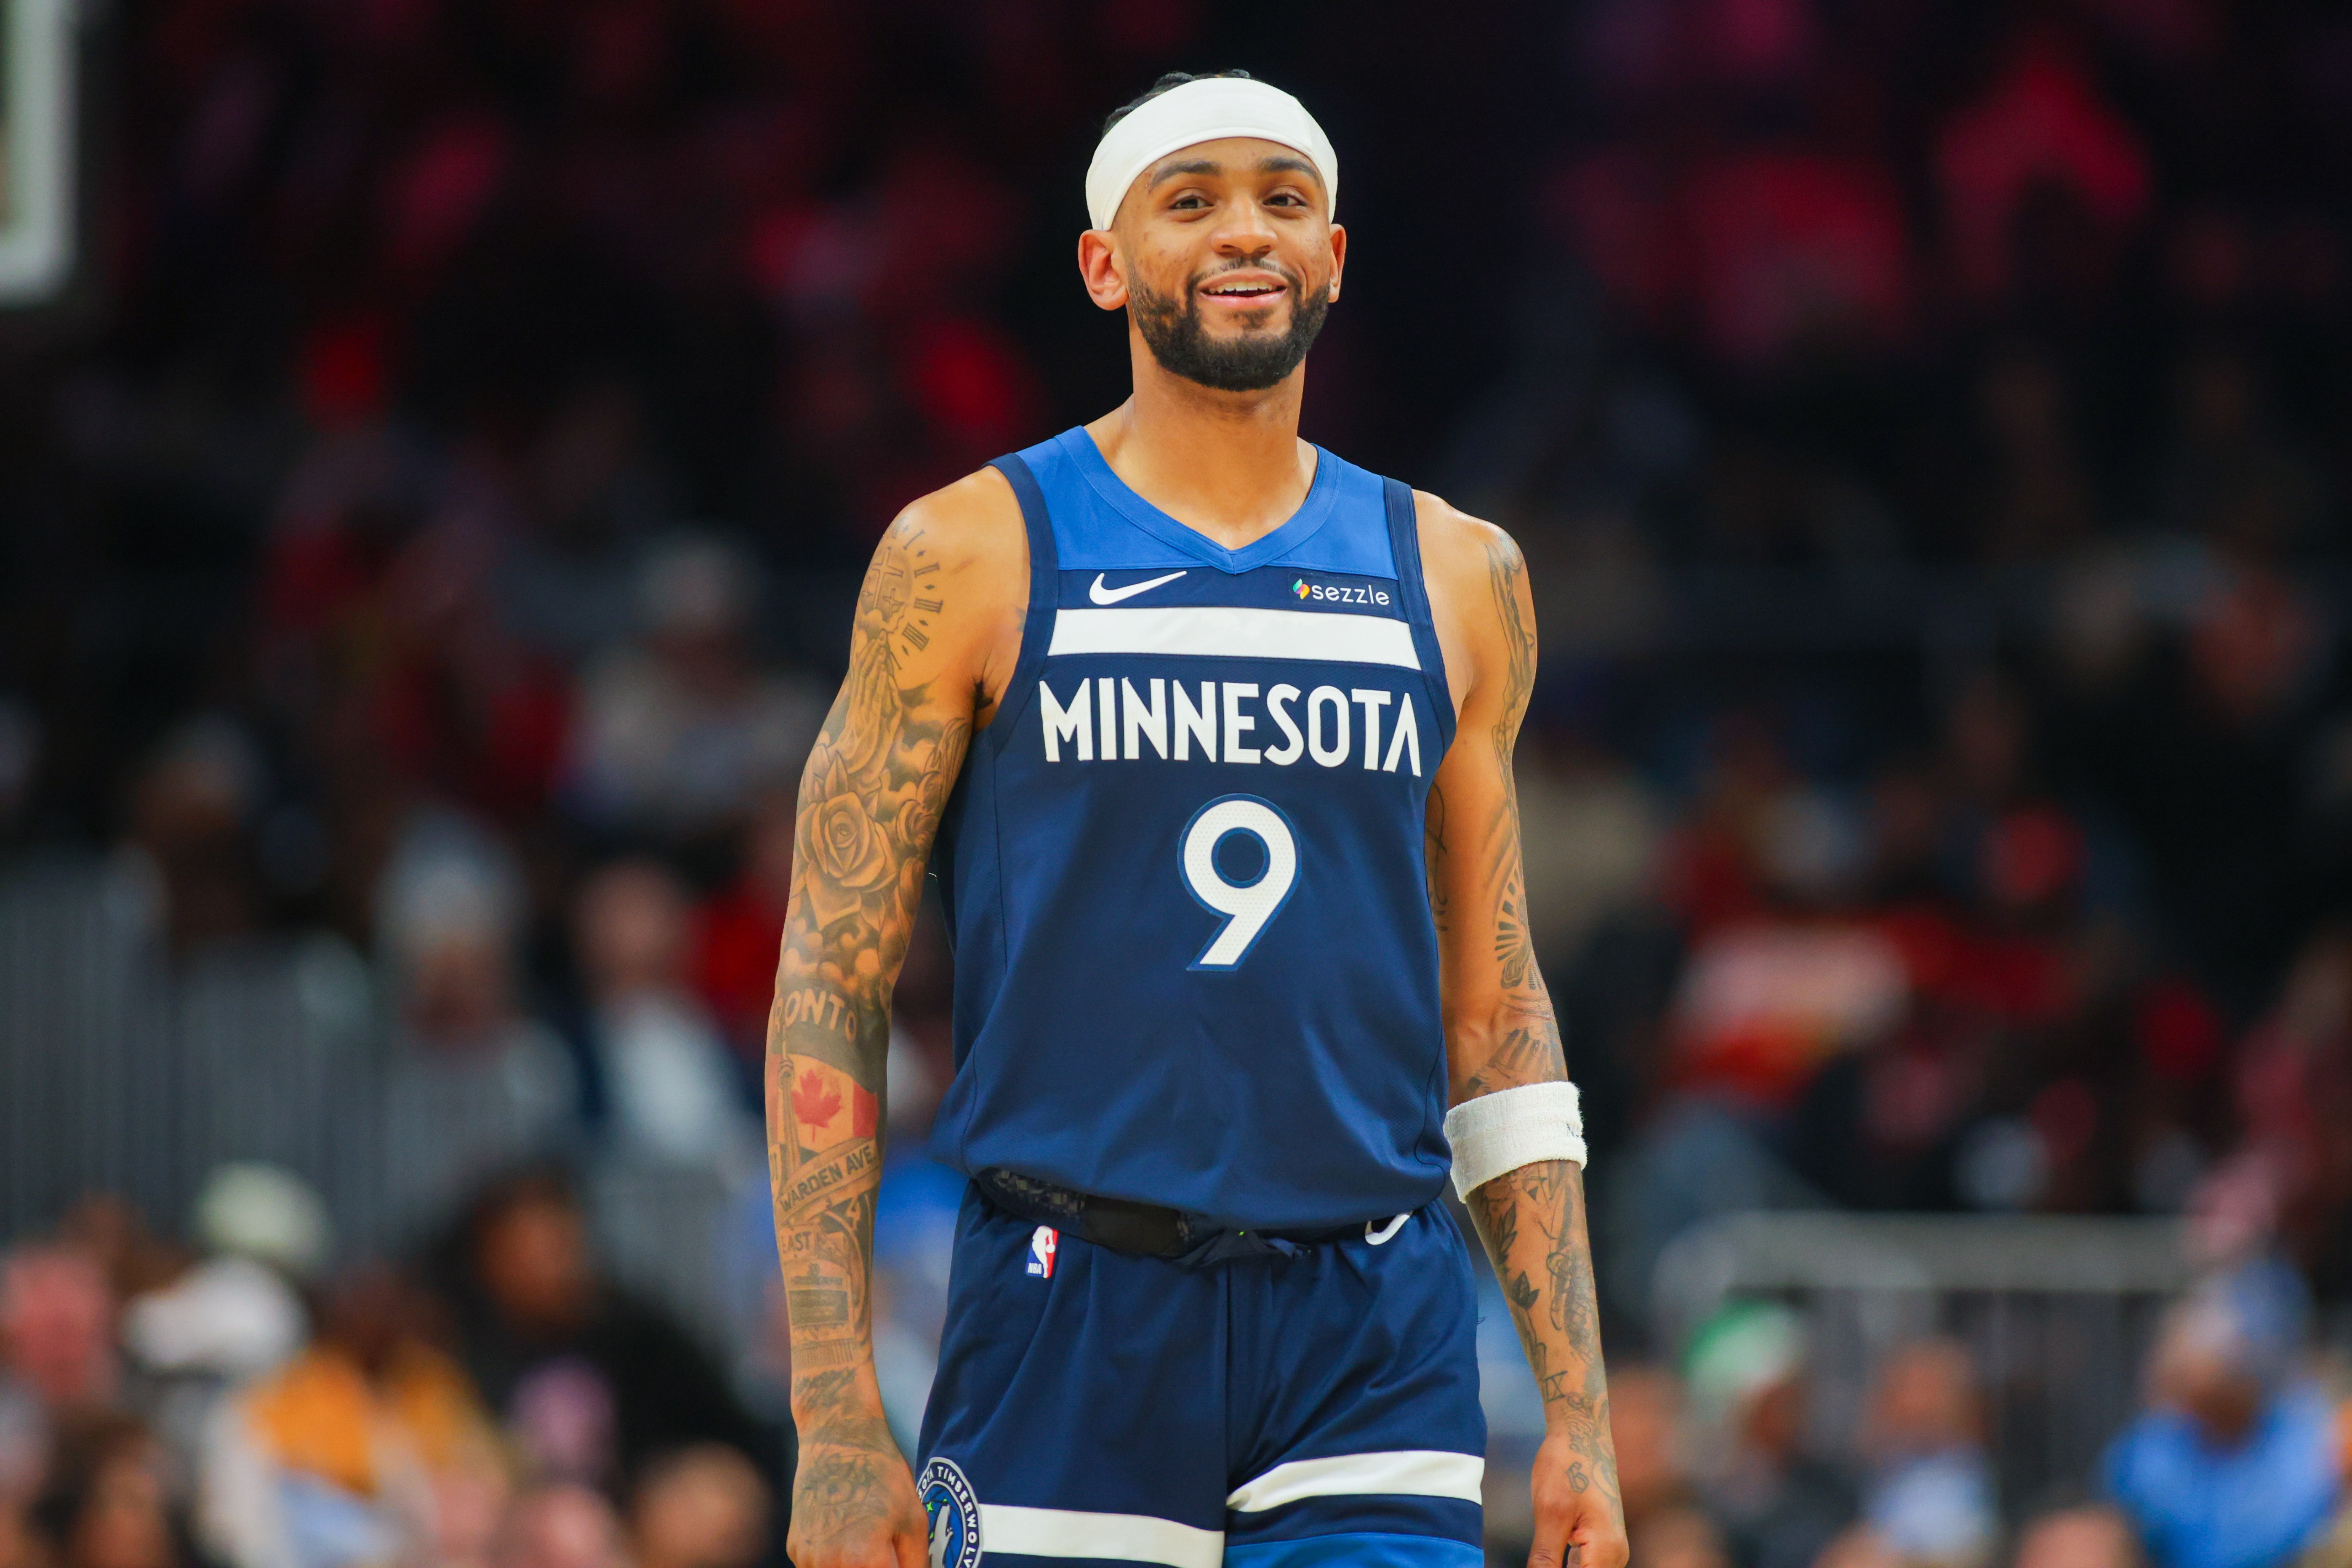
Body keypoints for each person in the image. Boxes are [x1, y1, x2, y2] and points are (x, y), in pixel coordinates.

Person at [764, 70, 1626, 1568]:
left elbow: (1496, 1012)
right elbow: (830, 984)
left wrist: (1581, 1416)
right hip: (1071, 1299)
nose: (1244, 231)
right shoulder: (966, 552)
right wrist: (835, 1414)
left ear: (1332, 258)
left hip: (1373, 1322)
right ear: (1104, 263)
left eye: (1283, 200)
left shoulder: (1456, 571)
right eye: (1192, 199)